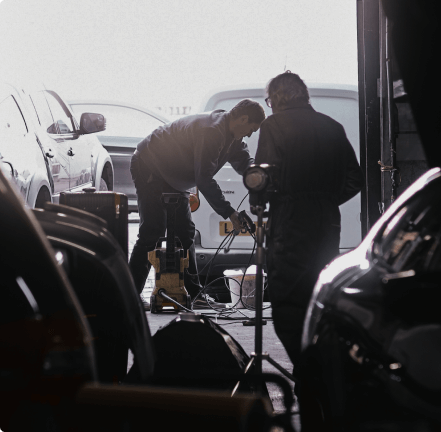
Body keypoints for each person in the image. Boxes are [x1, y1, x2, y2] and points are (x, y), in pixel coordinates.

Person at [255, 71, 364, 371]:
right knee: (319, 295)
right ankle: (325, 365)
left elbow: (262, 179)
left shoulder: (273, 125)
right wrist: (326, 200)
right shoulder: (333, 127)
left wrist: (260, 205)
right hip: (328, 222)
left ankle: (309, 372)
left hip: (290, 221)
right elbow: (355, 178)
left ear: (276, 98)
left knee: (287, 300)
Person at [129, 99, 265, 310]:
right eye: (251, 129)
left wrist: (257, 175)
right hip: (150, 164)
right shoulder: (212, 131)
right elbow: (204, 179)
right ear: (243, 119)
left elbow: (244, 162)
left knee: (186, 233)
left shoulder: (234, 138)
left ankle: (196, 295)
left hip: (174, 175)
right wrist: (229, 212)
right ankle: (129, 296)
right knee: (152, 231)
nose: (250, 134)